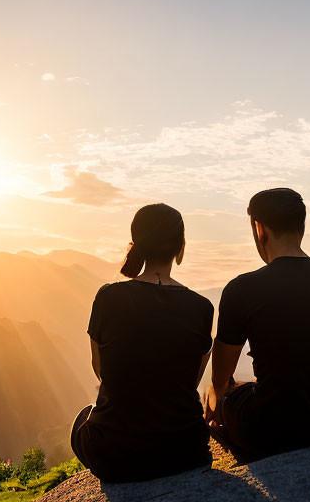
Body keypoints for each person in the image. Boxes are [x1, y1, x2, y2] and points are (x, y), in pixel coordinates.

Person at [206, 188, 310, 462]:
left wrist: (217, 401)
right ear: (301, 227)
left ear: (259, 230)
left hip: (268, 432)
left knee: (226, 392)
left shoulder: (242, 289)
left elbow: (219, 382)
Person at [71, 203, 214, 482]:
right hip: (186, 452)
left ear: (136, 244)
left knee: (83, 419)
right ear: (181, 246)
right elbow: (189, 383)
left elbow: (102, 370)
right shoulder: (202, 308)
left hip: (116, 457)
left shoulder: (108, 298)